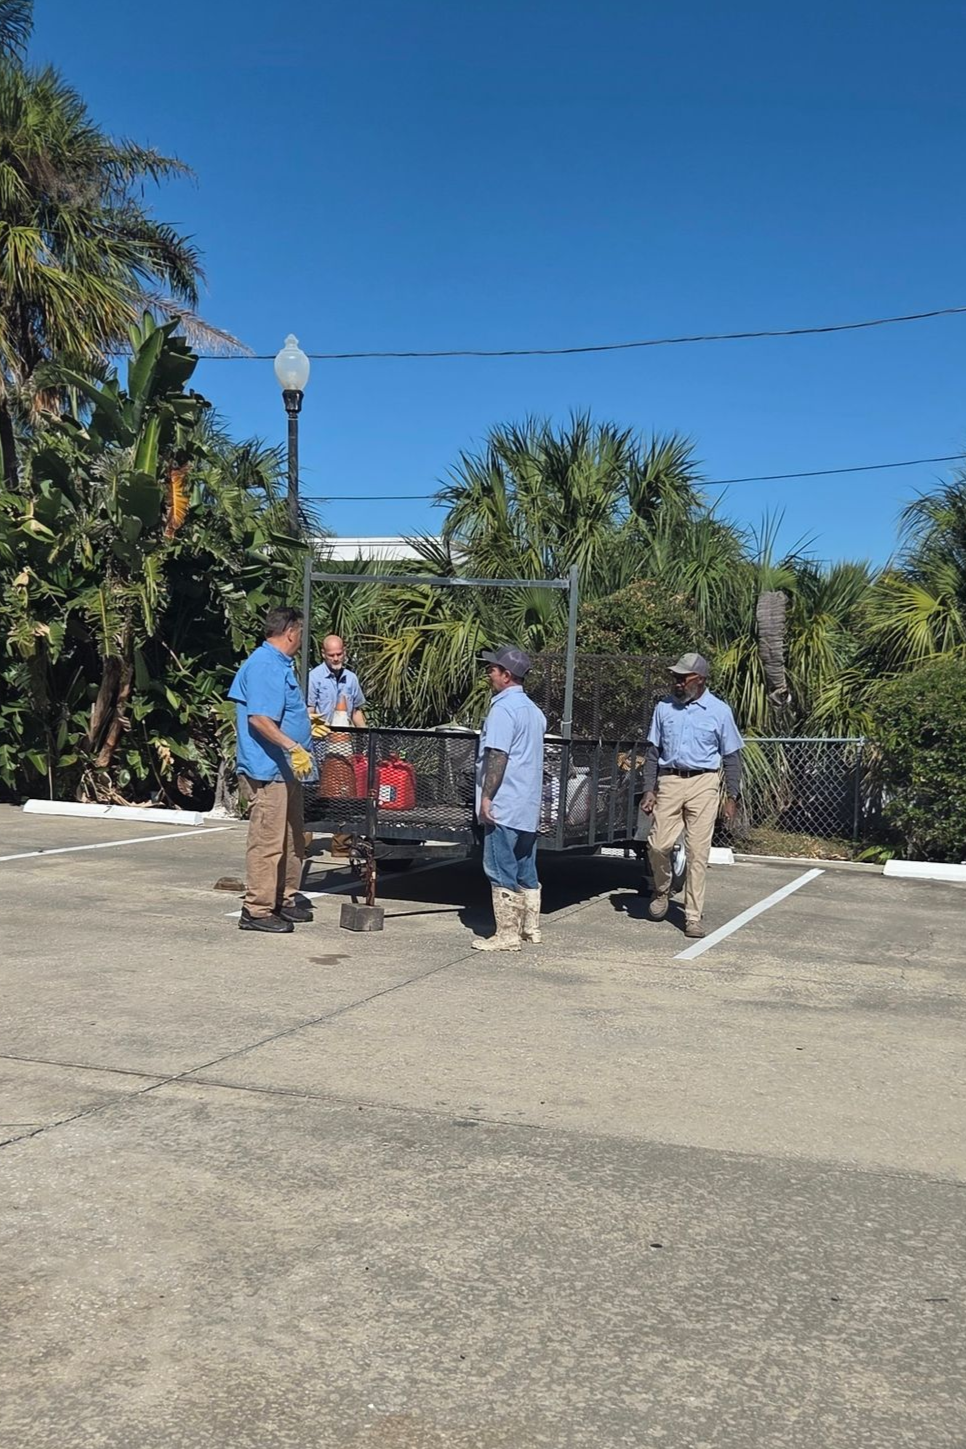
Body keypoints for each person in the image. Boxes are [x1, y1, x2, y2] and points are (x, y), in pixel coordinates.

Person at [228, 606, 328, 934]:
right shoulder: (264, 665)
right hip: (268, 770)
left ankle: (283, 897)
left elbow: (280, 710)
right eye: (300, 632)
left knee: (292, 838)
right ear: (291, 632)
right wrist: (293, 745)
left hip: (286, 771)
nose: (301, 638)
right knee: (268, 840)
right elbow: (259, 718)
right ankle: (256, 909)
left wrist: (305, 722)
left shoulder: (278, 664)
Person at [642, 652, 744, 940]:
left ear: (699, 679)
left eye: (682, 678)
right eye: (674, 678)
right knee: (658, 846)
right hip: (670, 780)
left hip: (704, 783)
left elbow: (732, 757)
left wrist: (732, 796)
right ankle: (662, 890)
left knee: (698, 853)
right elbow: (653, 753)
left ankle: (692, 916)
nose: (676, 683)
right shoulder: (663, 708)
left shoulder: (719, 711)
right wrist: (649, 789)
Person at [472, 645, 547, 953]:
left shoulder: (503, 709)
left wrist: (486, 797)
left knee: (499, 867)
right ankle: (531, 927)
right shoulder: (534, 711)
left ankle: (507, 934)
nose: (489, 673)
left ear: (506, 675)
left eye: (493, 669)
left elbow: (498, 755)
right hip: (527, 803)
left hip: (505, 801)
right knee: (525, 867)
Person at [307, 635, 367, 727]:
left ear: (344, 652)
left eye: (339, 654)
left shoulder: (351, 678)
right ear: (323, 654)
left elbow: (356, 712)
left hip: (344, 738)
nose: (335, 659)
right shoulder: (314, 677)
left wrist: (365, 735)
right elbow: (310, 710)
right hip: (321, 738)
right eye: (331, 655)